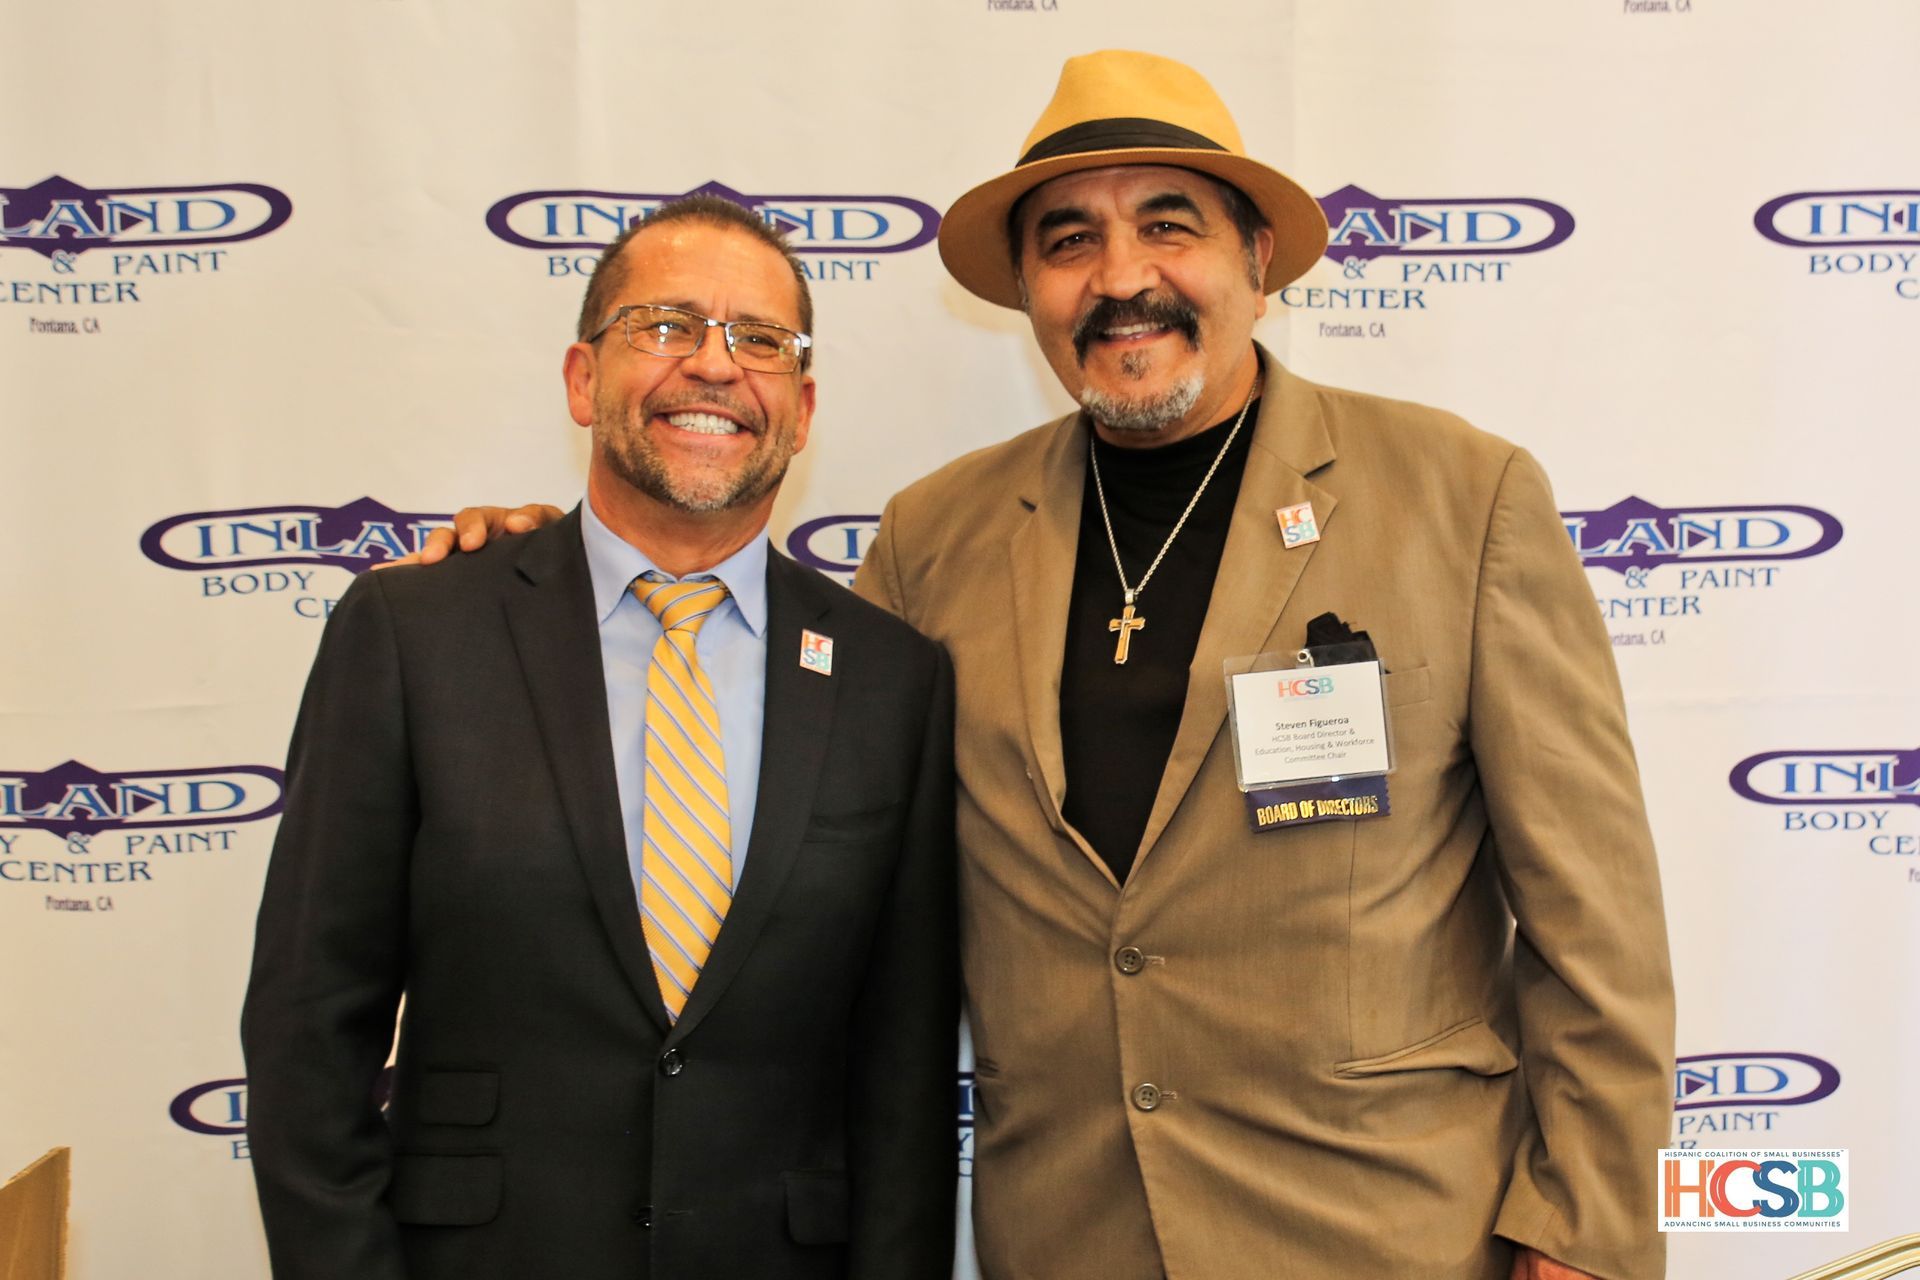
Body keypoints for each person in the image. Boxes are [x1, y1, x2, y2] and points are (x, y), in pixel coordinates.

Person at [417, 51, 1675, 1280]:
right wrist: (549, 575)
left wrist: (1587, 1232)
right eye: (1069, 241)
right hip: (1069, 1237)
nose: (1122, 278)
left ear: (1259, 257)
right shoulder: (934, 539)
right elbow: (780, 794)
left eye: (1168, 226)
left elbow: (1594, 926)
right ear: (1027, 290)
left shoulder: (1461, 499)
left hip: (1389, 1235)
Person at [240, 195, 959, 1280]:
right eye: (665, 326)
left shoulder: (890, 677)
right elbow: (307, 1032)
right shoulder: (413, 632)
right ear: (583, 379)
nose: (715, 367)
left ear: (802, 409)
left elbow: (901, 1080)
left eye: (760, 340)